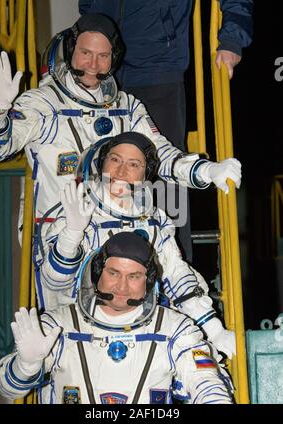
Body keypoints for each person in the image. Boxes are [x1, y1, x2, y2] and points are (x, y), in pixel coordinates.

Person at [0, 13, 241, 245]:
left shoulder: (127, 107)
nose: (93, 65)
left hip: (119, 234)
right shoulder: (42, 103)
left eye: (103, 56)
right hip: (59, 234)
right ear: (71, 50)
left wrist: (207, 170)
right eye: (85, 53)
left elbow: (159, 155)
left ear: (113, 58)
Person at [78, 1, 254, 260]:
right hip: (102, 72)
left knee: (165, 181)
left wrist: (231, 39)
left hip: (156, 72)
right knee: (101, 175)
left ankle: (176, 282)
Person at [38, 132, 235, 359]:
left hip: (143, 329)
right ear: (101, 165)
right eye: (115, 160)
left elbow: (175, 272)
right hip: (82, 332)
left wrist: (214, 330)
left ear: (145, 174)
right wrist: (72, 234)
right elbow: (53, 281)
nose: (122, 172)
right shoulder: (75, 210)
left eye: (134, 164)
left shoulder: (154, 219)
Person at [0, 232, 234, 404]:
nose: (122, 286)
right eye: (113, 273)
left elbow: (205, 381)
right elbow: (7, 389)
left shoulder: (175, 328)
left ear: (149, 281)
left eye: (134, 276)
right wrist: (26, 366)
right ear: (98, 273)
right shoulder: (58, 325)